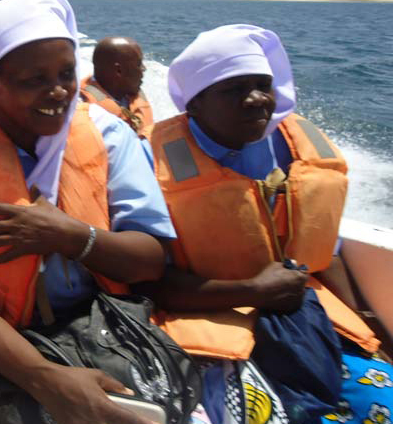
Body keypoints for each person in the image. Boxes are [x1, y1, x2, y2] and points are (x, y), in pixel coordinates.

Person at [0, 0, 177, 424]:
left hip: (110, 326)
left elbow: (151, 260)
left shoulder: (110, 136)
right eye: (34, 80)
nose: (57, 92)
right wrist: (47, 380)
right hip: (10, 346)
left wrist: (71, 236)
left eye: (66, 74)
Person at [142, 24, 390, 424]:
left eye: (263, 85)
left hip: (304, 315)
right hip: (211, 326)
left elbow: (324, 252)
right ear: (196, 104)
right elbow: (147, 282)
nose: (257, 99)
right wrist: (253, 291)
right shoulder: (151, 160)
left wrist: (370, 323)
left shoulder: (290, 146)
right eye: (235, 89)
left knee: (383, 401)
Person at [81, 37, 154, 136]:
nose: (144, 69)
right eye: (139, 64)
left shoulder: (130, 91)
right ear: (119, 70)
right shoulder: (87, 112)